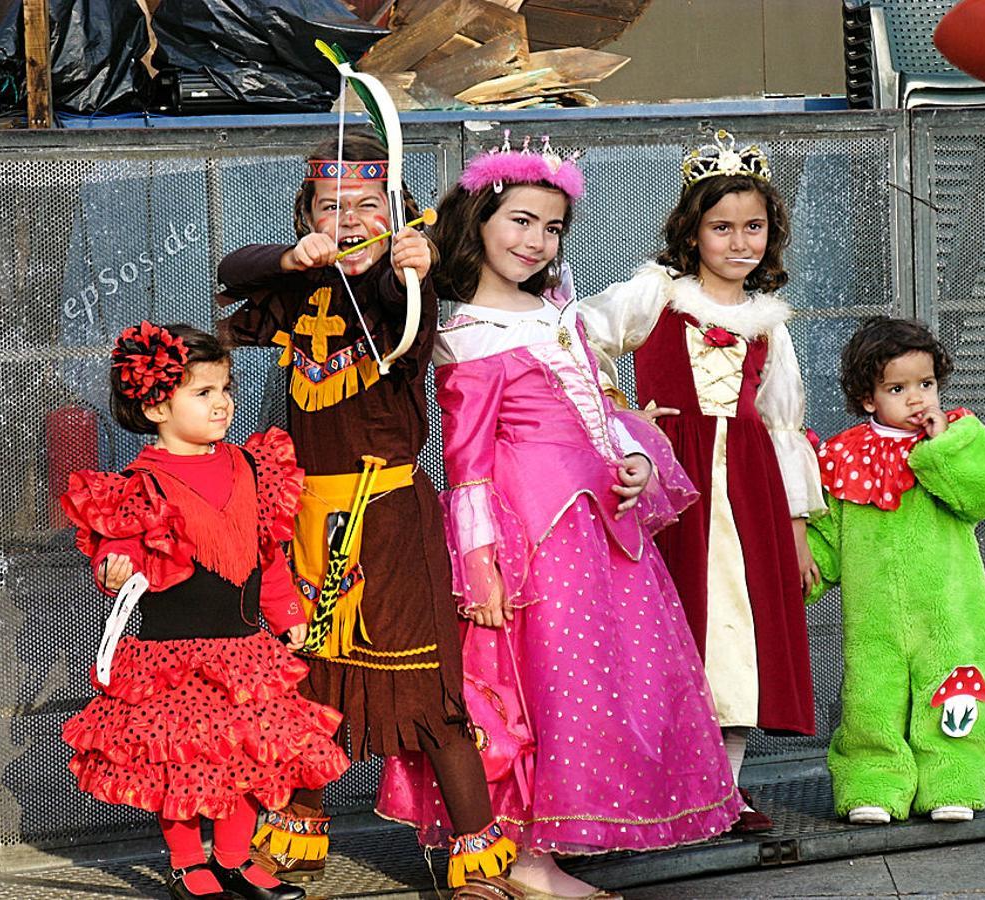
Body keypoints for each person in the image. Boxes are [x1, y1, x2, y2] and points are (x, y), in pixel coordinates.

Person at [377, 133, 742, 900]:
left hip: (597, 532)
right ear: (478, 220)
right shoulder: (465, 336)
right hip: (531, 539)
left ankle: (544, 850)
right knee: (527, 690)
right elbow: (467, 465)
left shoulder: (557, 313)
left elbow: (595, 407)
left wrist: (632, 458)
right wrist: (479, 563)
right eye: (519, 221)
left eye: (551, 228)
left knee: (596, 688)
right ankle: (517, 857)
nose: (535, 241)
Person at [216, 133, 519, 898]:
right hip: (309, 521)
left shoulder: (401, 289)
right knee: (313, 680)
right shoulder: (295, 284)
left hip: (386, 519)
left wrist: (412, 264)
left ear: (396, 214)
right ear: (307, 216)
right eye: (331, 207)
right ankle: (299, 838)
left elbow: (397, 291)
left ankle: (475, 862)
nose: (349, 220)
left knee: (429, 691)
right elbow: (231, 271)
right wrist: (292, 258)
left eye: (366, 206)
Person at [578, 129, 825, 831]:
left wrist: (797, 529)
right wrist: (623, 417)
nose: (739, 241)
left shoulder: (769, 325)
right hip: (672, 489)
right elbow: (580, 337)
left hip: (749, 497)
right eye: (722, 227)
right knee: (669, 629)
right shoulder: (654, 295)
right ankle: (660, 786)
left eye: (754, 226)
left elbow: (782, 425)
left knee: (739, 635)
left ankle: (726, 789)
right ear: (694, 233)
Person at [60, 322, 348, 900]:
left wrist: (289, 614)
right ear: (156, 404)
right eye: (203, 393)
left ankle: (235, 860)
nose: (222, 404)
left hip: (244, 652)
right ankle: (189, 862)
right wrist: (113, 566)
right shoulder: (140, 484)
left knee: (245, 754)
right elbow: (120, 540)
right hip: (172, 656)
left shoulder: (250, 467)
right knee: (180, 761)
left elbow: (267, 555)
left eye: (225, 389)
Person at [806, 316, 985, 824]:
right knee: (869, 701)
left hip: (950, 611)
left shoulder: (956, 437)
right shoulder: (843, 456)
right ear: (867, 398)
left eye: (926, 384)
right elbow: (829, 531)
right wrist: (805, 569)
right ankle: (872, 781)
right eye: (898, 388)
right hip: (872, 615)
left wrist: (943, 446)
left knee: (956, 697)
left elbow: (983, 492)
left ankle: (954, 779)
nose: (917, 399)